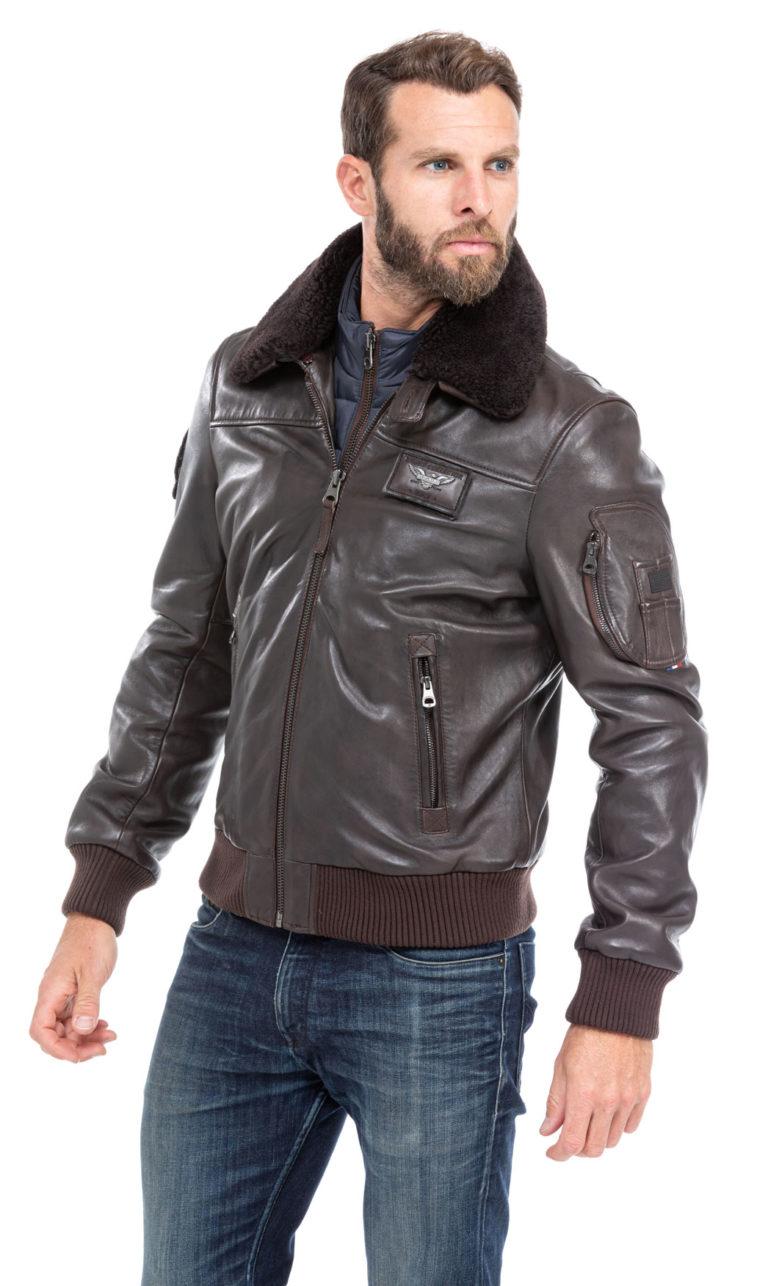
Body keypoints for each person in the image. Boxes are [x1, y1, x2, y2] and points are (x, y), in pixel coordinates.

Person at [30, 29, 707, 1286]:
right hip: (233, 952)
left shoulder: (567, 431)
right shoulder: (243, 387)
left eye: (501, 164)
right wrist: (100, 889)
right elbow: (187, 649)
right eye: (440, 165)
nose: (479, 198)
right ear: (359, 183)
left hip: (439, 978)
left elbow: (652, 719)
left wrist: (623, 987)